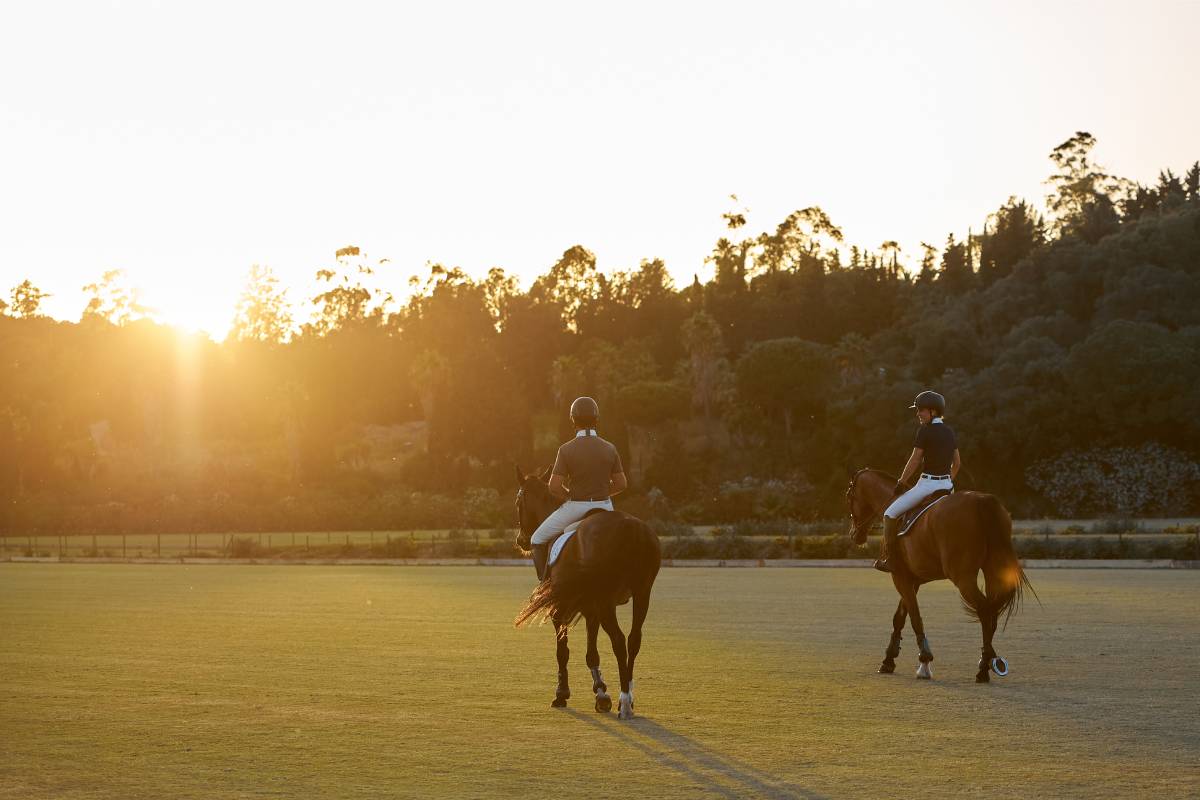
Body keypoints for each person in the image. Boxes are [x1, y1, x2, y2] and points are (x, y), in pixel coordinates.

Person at [530, 396, 628, 579]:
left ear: (573, 420)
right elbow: (622, 484)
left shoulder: (566, 449)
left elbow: (554, 486)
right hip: (605, 507)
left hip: (576, 506)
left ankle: (545, 586)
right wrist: (603, 493)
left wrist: (570, 494)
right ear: (596, 419)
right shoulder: (610, 448)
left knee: (536, 539)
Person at [874, 390, 961, 573]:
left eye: (921, 410)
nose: (918, 414)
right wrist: (948, 481)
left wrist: (901, 481)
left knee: (889, 514)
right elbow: (957, 463)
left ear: (933, 412)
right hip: (947, 487)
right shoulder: (949, 431)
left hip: (926, 486)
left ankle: (891, 559)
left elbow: (915, 460)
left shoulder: (925, 430)